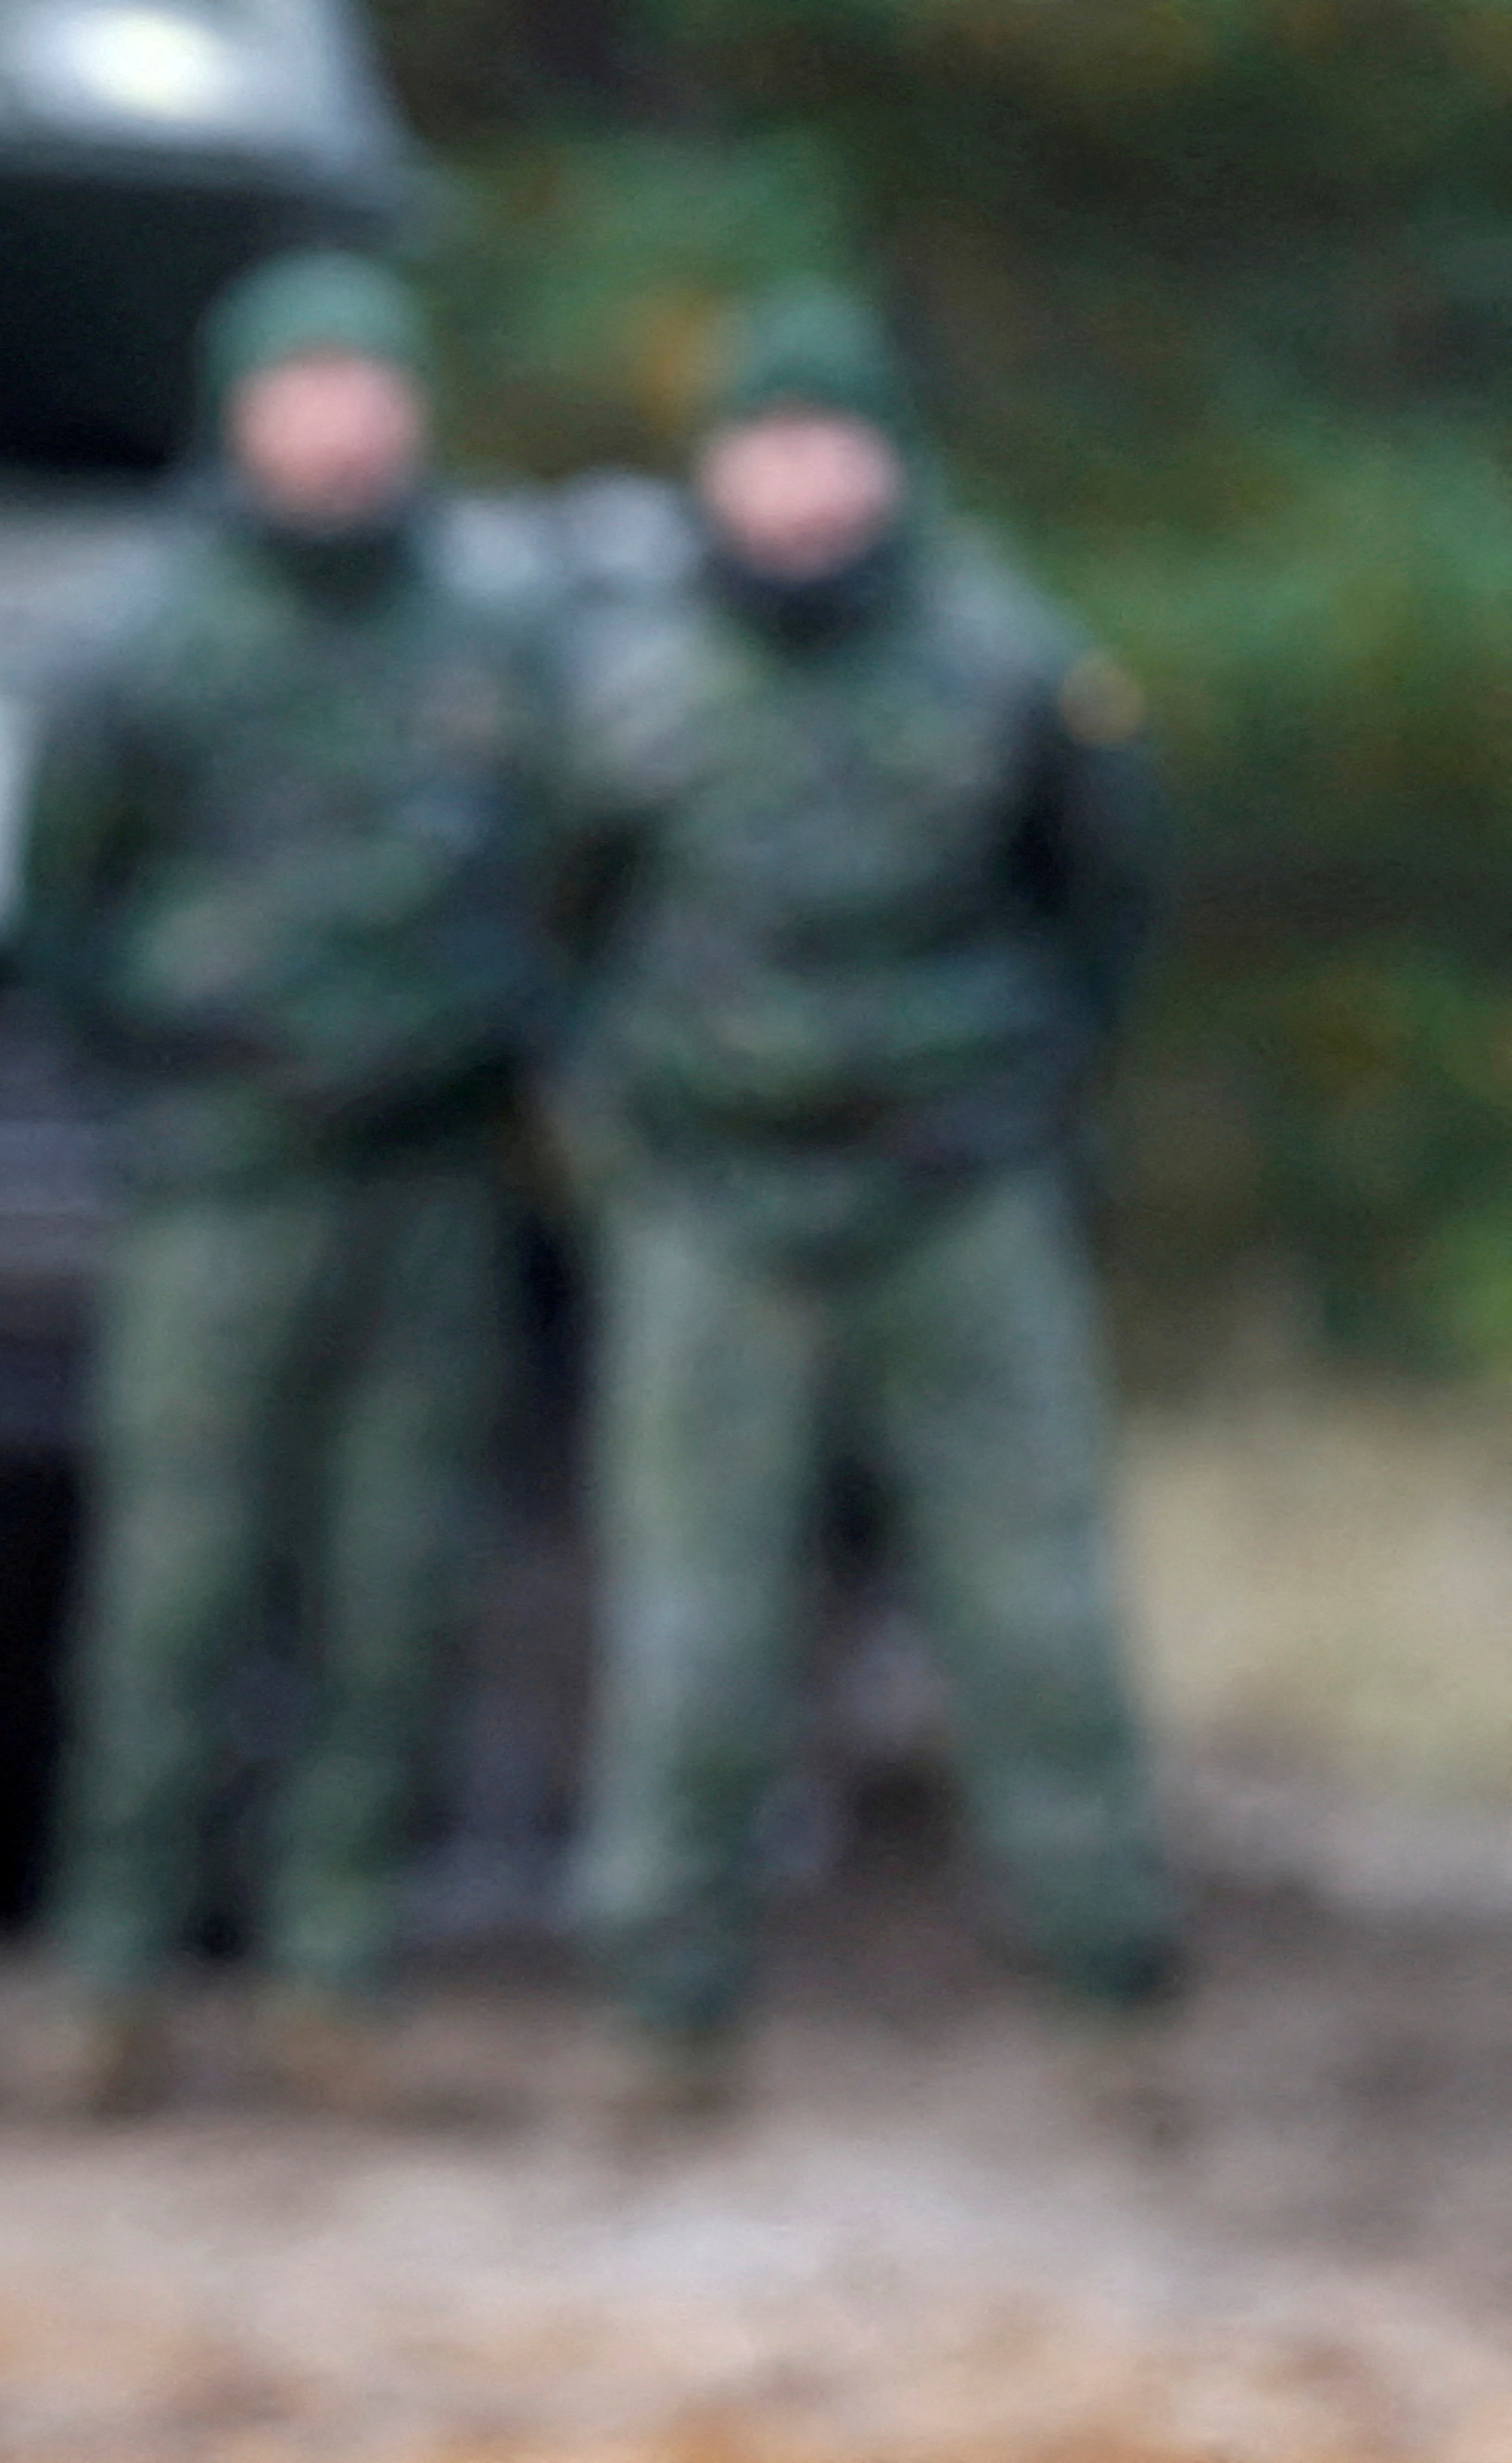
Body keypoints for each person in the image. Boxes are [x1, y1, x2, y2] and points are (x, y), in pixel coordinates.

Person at [545, 287, 1177, 2119]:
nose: (800, 479)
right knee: (693, 1619)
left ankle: (1107, 1992)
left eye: (832, 438)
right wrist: (634, 1125)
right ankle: (663, 2016)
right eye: (765, 441)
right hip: (713, 1207)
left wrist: (1015, 1102)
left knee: (1032, 1604)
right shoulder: (629, 681)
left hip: (954, 1196)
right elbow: (557, 920)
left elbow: (1102, 905)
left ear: (888, 457)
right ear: (715, 468)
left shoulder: (1010, 665)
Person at [19, 250, 543, 2114]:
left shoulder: (493, 634)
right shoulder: (151, 638)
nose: (338, 422)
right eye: (301, 386)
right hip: (221, 1185)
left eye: (366, 383)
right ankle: (109, 1970)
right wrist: (185, 1053)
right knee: (172, 1588)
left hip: (425, 1185)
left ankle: (335, 1969)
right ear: (241, 413)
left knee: (391, 1589)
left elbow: (564, 889)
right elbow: (59, 914)